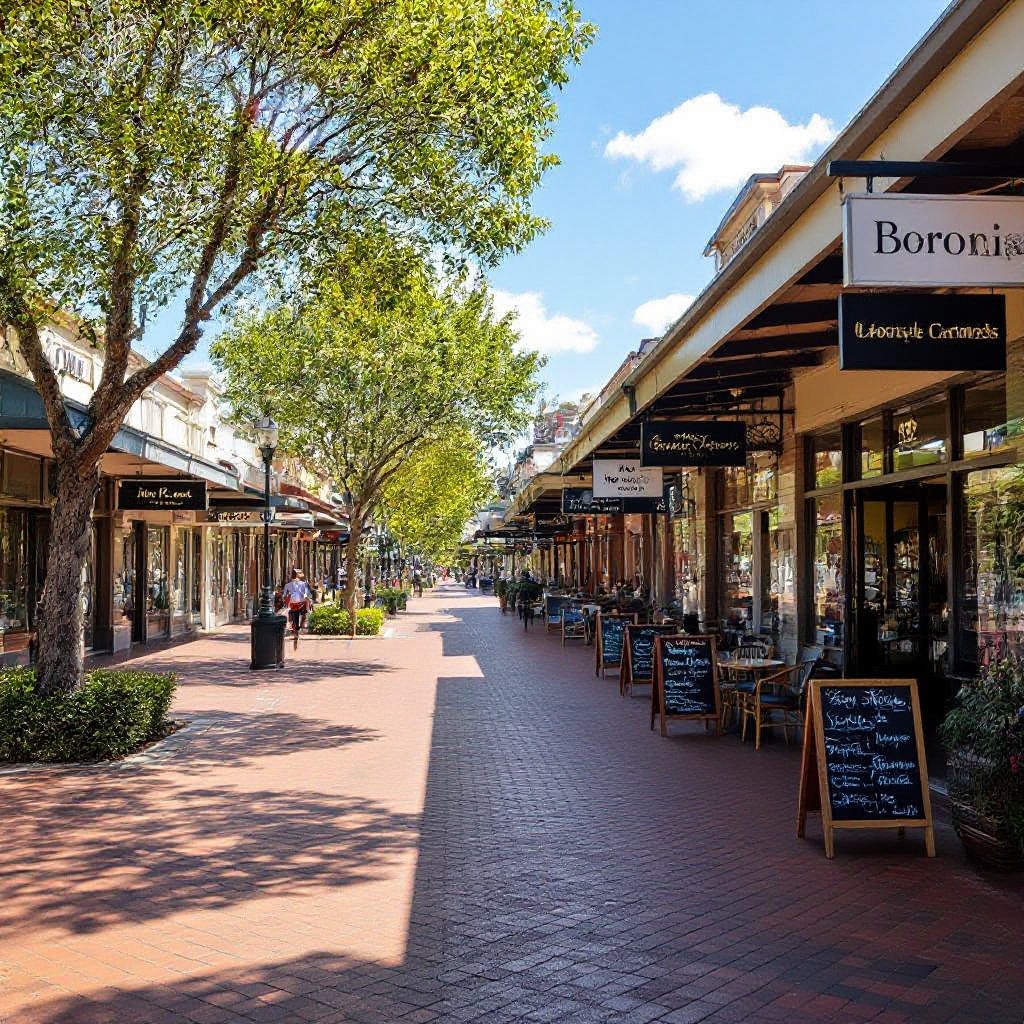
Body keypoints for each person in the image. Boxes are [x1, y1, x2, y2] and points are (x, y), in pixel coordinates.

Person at [282, 569, 313, 644]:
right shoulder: (303, 584)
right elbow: (307, 594)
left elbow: (284, 595)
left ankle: (296, 629)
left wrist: (286, 600)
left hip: (294, 603)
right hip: (300, 603)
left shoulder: (288, 585)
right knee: (303, 614)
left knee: (296, 615)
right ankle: (298, 628)